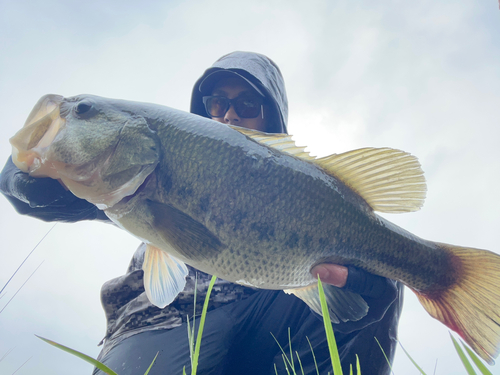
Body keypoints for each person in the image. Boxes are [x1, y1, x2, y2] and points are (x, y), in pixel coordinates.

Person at [0, 51, 403, 375]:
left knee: (383, 277)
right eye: (216, 102)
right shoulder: (135, 177)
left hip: (267, 316)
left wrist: (362, 311)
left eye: (248, 103)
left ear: (272, 116)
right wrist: (21, 177)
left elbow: (346, 300)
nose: (229, 115)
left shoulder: (305, 195)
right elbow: (42, 196)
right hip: (165, 320)